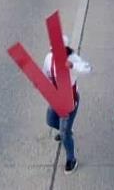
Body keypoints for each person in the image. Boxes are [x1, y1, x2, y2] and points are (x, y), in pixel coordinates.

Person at [42, 34, 92, 174]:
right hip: (55, 98)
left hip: (70, 101)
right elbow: (45, 73)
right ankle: (67, 131)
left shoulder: (72, 58)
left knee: (64, 133)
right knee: (50, 120)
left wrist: (72, 66)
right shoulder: (49, 58)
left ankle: (71, 160)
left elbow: (88, 68)